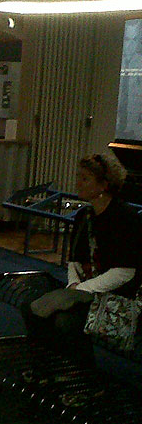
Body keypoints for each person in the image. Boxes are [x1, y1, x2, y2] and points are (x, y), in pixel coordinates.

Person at [23, 152, 141, 366]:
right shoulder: (84, 216)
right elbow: (74, 261)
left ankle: (80, 375)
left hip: (117, 297)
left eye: (85, 178)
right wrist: (73, 285)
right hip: (87, 290)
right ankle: (50, 366)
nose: (78, 183)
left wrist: (82, 289)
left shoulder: (125, 219)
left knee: (65, 321)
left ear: (104, 185)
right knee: (31, 307)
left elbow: (125, 271)